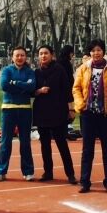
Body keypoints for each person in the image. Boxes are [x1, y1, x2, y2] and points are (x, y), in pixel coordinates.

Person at [72, 39, 107, 193]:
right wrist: (80, 104)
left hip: (105, 115)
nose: (96, 53)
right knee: (87, 150)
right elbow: (76, 88)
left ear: (103, 51)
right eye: (93, 50)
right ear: (90, 53)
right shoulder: (83, 68)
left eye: (99, 50)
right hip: (88, 114)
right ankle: (85, 181)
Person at [33, 45, 77, 185]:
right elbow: (31, 91)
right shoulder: (36, 72)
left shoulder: (59, 70)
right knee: (45, 145)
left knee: (62, 144)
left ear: (52, 55)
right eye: (41, 53)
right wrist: (39, 91)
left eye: (46, 53)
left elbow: (67, 90)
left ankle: (70, 174)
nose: (43, 56)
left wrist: (71, 109)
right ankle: (48, 172)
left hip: (58, 111)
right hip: (41, 112)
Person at [0, 46, 36, 182]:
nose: (20, 58)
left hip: (25, 109)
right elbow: (4, 86)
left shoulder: (30, 72)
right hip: (8, 109)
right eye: (17, 55)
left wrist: (15, 83)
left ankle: (28, 171)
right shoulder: (6, 70)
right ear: (12, 57)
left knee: (25, 142)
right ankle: (1, 171)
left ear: (25, 57)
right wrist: (23, 87)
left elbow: (32, 87)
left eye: (22, 55)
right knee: (5, 142)